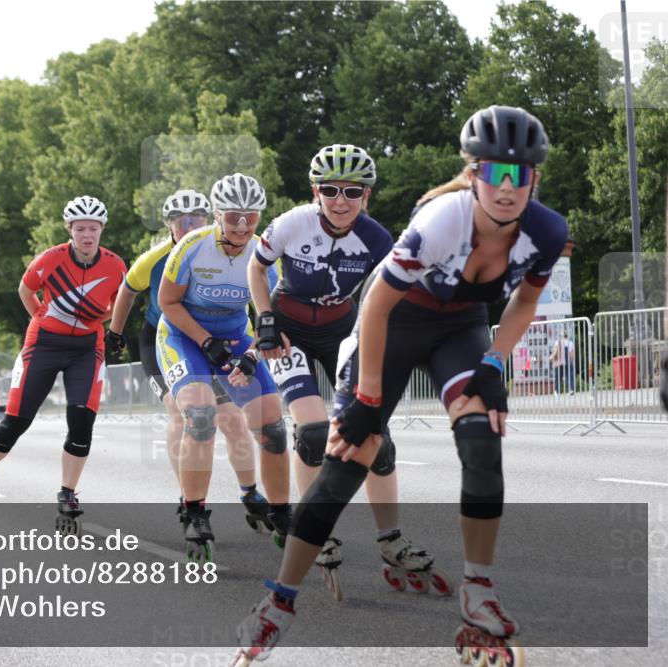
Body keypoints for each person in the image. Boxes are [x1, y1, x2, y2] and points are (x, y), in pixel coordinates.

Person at [232, 106, 566, 664]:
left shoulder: (547, 230)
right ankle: (279, 602)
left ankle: (477, 588)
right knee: (347, 455)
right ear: (472, 174)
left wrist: (495, 363)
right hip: (396, 322)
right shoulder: (441, 220)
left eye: (521, 175)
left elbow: (525, 299)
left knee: (482, 441)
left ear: (535, 178)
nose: (507, 189)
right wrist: (366, 398)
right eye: (493, 174)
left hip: (461, 327)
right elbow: (380, 302)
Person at [247, 144, 447, 601]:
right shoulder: (291, 224)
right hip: (289, 332)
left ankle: (390, 539)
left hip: (343, 331)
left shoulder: (379, 239)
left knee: (375, 436)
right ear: (315, 192)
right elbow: (256, 271)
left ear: (366, 196)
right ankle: (312, 527)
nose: (341, 200)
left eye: (352, 191)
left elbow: (393, 293)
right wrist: (265, 319)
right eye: (331, 190)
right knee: (315, 433)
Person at [0, 195, 126, 535]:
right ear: (69, 229)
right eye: (80, 228)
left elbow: (120, 301)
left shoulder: (114, 265)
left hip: (86, 348)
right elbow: (25, 288)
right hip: (44, 344)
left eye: (93, 229)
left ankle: (67, 493)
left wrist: (101, 318)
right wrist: (40, 314)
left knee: (81, 421)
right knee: (16, 421)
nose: (86, 235)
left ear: (101, 230)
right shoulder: (50, 258)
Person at [106, 190, 272, 532]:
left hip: (216, 338)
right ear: (169, 226)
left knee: (232, 420)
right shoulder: (157, 257)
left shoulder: (218, 248)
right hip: (163, 339)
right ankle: (189, 497)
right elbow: (127, 289)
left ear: (209, 219)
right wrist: (115, 333)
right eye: (181, 221)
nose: (188, 226)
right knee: (184, 414)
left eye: (195, 219)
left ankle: (250, 492)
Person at [156, 173, 291, 562]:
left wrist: (250, 356)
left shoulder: (263, 252)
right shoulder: (193, 246)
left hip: (235, 338)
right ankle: (194, 511)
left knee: (272, 425)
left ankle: (282, 512)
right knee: (200, 416)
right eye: (232, 217)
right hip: (184, 337)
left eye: (251, 216)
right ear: (216, 214)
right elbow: (168, 303)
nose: (242, 226)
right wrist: (205, 342)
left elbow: (271, 315)